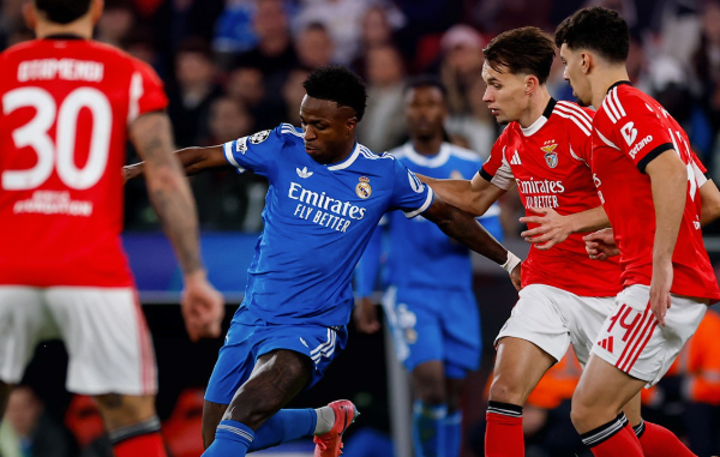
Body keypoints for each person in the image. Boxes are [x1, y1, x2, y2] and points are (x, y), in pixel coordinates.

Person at [125, 65, 523, 457]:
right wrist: (132, 171)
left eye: (319, 125)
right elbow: (201, 158)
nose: (308, 134)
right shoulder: (281, 145)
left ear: (350, 124)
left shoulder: (383, 174)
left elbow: (449, 217)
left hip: (311, 326)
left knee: (242, 415)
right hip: (253, 316)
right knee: (219, 435)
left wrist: (508, 261)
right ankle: (325, 420)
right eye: (304, 122)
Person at [417, 26, 698, 457]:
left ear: (530, 84)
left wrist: (573, 222)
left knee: (628, 428)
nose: (487, 96)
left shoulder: (585, 127)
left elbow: (642, 196)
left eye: (496, 84)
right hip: (545, 284)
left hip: (609, 290)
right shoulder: (511, 140)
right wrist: (404, 178)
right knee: (504, 391)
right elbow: (474, 197)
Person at [0, 3, 225, 457]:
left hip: (6, 270)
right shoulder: (130, 73)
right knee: (134, 423)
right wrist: (195, 275)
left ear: (29, 12)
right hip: (93, 272)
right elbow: (165, 177)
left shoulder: (4, 70)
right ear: (97, 8)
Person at [552, 7, 720, 456]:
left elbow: (669, 172)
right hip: (666, 278)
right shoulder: (656, 113)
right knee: (627, 423)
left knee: (589, 411)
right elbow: (709, 201)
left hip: (656, 283)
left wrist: (661, 260)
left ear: (585, 60)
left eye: (565, 62)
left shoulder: (618, 106)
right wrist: (630, 231)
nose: (565, 75)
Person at [354, 75, 502, 457]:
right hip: (409, 291)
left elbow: (494, 229)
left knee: (452, 394)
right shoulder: (389, 167)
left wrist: (462, 229)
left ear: (444, 111)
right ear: (405, 112)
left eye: (430, 104)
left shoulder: (469, 165)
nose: (423, 112)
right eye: (415, 105)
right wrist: (364, 291)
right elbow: (372, 237)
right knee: (431, 387)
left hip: (456, 293)